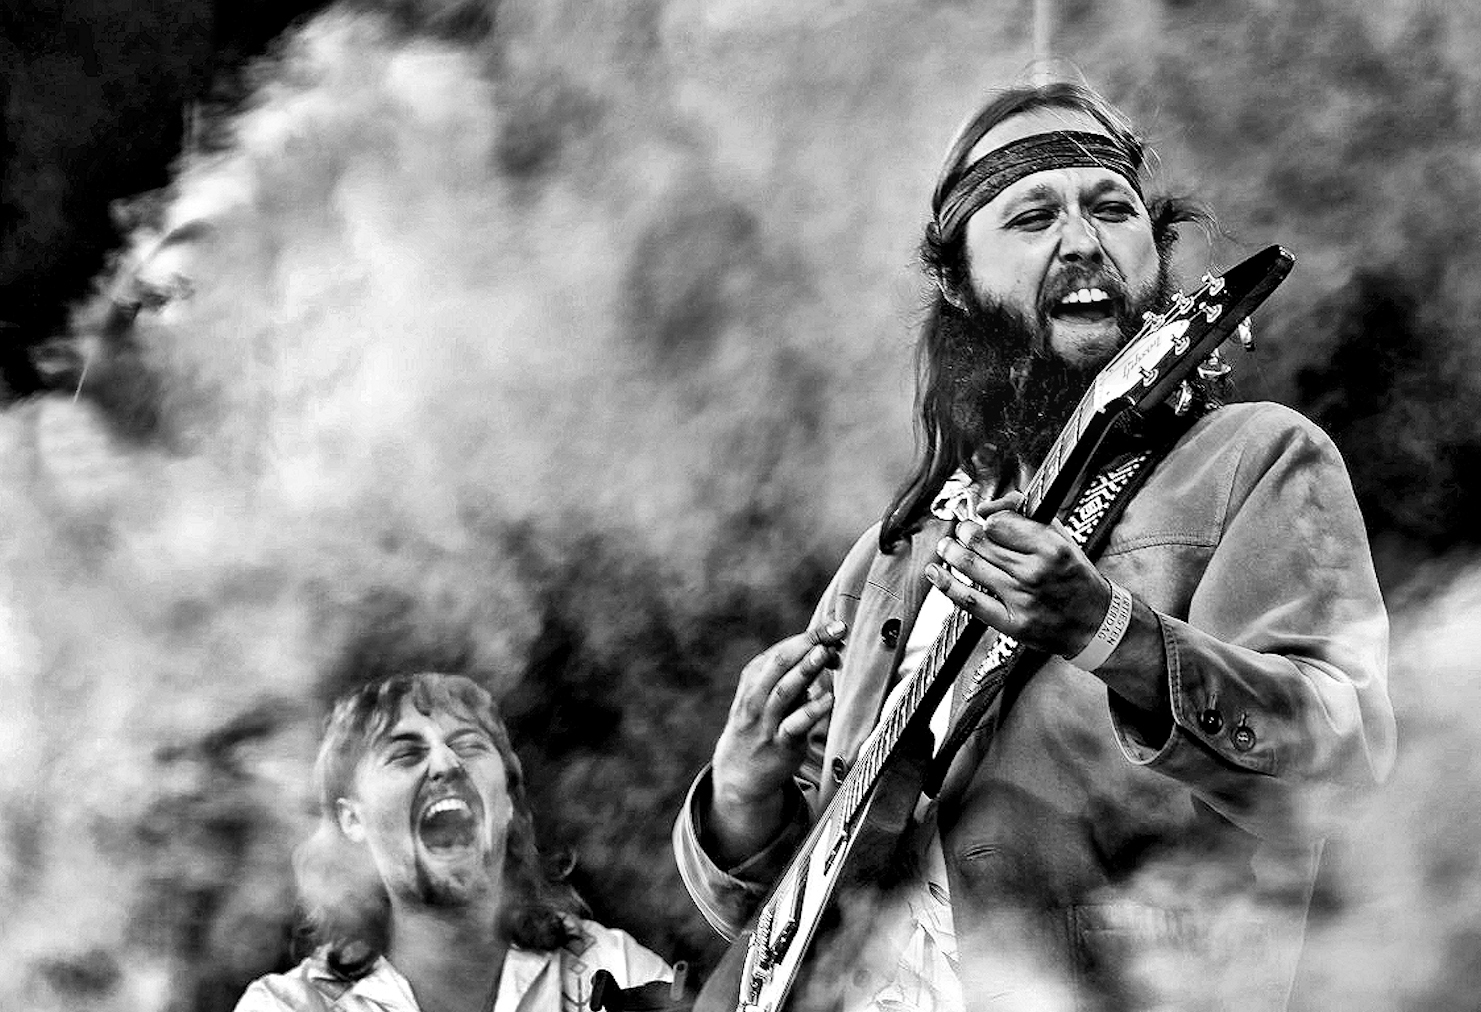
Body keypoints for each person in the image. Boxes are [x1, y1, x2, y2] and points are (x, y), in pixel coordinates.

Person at [674, 78, 1396, 1012]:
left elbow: (1343, 755)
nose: (1083, 241)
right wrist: (741, 800)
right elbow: (798, 923)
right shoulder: (887, 562)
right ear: (956, 283)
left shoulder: (1253, 457)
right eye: (1032, 217)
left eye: (1112, 209)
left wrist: (1111, 634)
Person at [237, 672, 678, 1012]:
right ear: (353, 820)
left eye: (468, 746)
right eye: (406, 753)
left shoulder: (612, 967)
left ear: (507, 802)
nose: (446, 763)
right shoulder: (291, 1005)